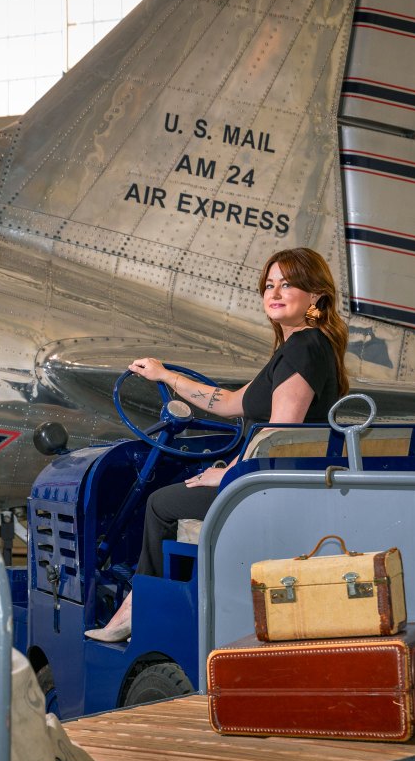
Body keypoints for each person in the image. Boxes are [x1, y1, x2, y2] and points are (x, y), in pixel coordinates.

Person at [83, 247, 350, 643]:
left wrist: (229, 473)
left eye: (288, 284)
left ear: (315, 296)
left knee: (160, 504)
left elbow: (281, 434)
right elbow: (227, 402)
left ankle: (137, 609)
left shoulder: (305, 347)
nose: (274, 293)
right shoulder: (298, 349)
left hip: (271, 488)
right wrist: (165, 375)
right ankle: (150, 604)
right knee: (182, 490)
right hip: (272, 480)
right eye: (269, 285)